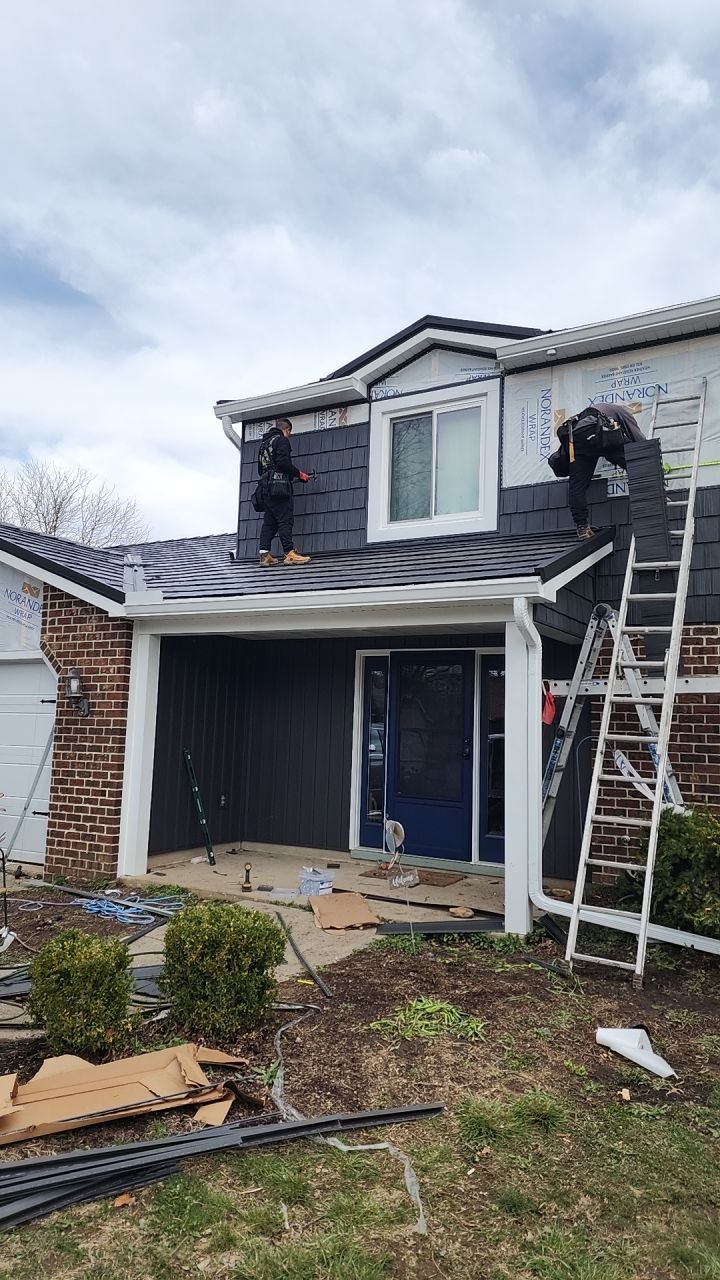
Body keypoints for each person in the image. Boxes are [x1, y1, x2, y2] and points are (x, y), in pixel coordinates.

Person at [549, 403, 644, 538]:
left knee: (578, 485)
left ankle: (582, 527)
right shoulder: (621, 412)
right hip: (597, 430)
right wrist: (646, 454)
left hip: (577, 439)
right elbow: (638, 438)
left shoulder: (589, 412)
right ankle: (657, 492)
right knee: (634, 459)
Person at [256, 418, 311, 566]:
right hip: (279, 489)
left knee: (270, 522)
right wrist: (299, 474)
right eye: (289, 433)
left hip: (265, 489)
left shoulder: (264, 444)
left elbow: (261, 470)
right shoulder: (281, 440)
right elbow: (282, 463)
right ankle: (289, 553)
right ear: (286, 430)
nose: (289, 436)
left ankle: (264, 555)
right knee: (285, 519)